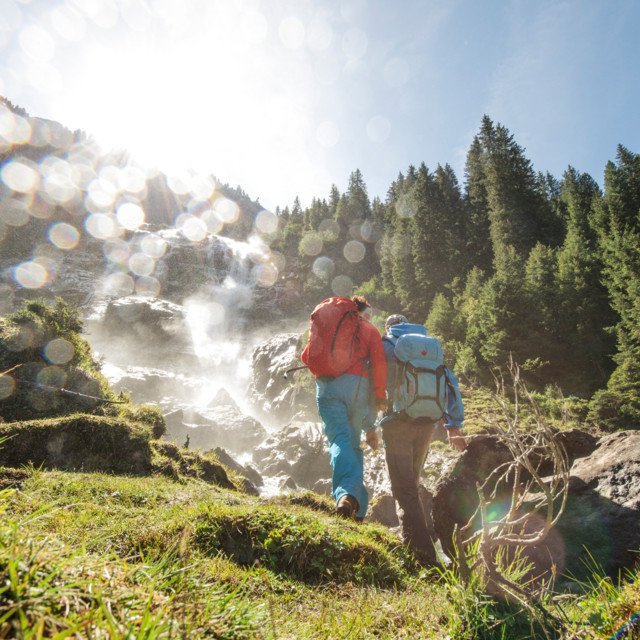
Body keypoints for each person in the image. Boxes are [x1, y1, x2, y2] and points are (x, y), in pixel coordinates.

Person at [380, 314, 466, 563]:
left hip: (398, 424)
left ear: (389, 327)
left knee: (403, 487)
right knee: (413, 482)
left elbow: (374, 381)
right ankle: (424, 538)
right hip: (428, 425)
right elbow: (451, 383)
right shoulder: (430, 347)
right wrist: (454, 424)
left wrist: (367, 422)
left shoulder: (389, 344)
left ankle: (422, 554)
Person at [302, 295, 387, 521]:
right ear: (359, 313)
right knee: (350, 443)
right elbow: (378, 365)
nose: (369, 318)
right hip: (356, 389)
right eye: (368, 314)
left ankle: (353, 505)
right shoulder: (369, 331)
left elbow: (305, 356)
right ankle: (350, 499)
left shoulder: (331, 325)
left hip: (326, 389)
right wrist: (380, 398)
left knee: (341, 441)